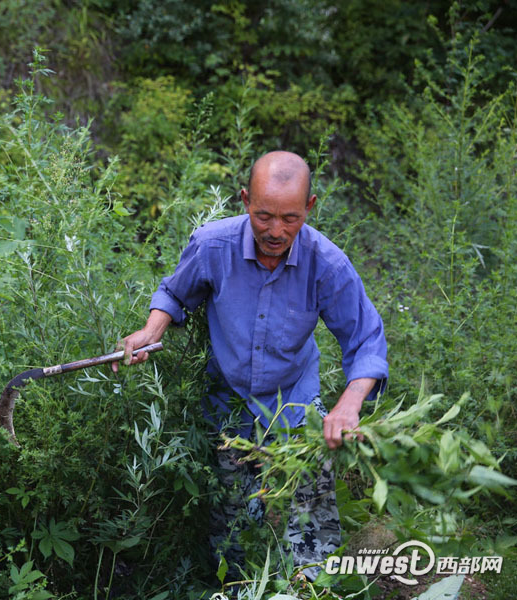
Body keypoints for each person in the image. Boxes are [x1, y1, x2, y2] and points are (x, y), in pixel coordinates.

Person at [112, 150, 388, 582]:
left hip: (294, 403)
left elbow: (366, 338)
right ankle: (237, 586)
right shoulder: (212, 245)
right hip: (228, 403)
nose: (276, 231)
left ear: (310, 208)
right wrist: (153, 328)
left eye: (290, 218)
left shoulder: (327, 263)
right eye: (263, 216)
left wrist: (349, 404)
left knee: (311, 513)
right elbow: (174, 292)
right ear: (244, 200)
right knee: (233, 522)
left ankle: (313, 586)